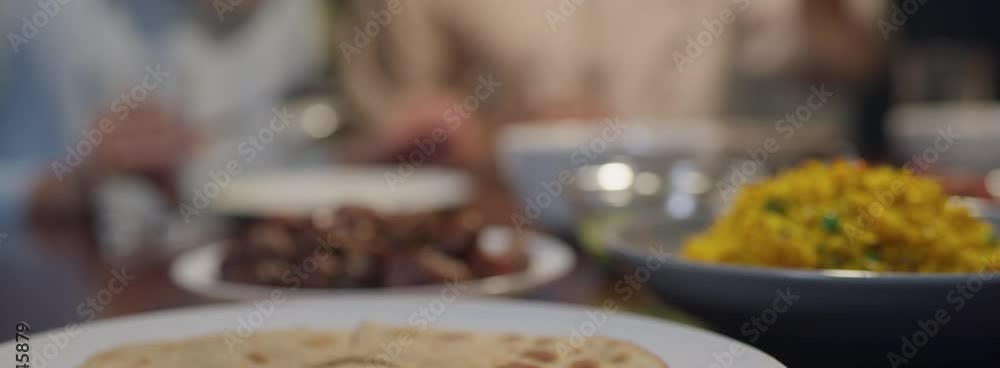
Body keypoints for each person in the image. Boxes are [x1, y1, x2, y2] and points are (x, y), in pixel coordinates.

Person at [337, 0, 887, 171]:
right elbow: (379, 138)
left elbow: (846, 61)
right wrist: (491, 132)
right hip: (514, 246)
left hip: (689, 233)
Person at [0, 0, 328, 221]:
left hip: (258, 277)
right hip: (99, 299)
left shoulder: (297, 12)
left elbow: (302, 152)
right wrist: (75, 179)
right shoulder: (47, 17)